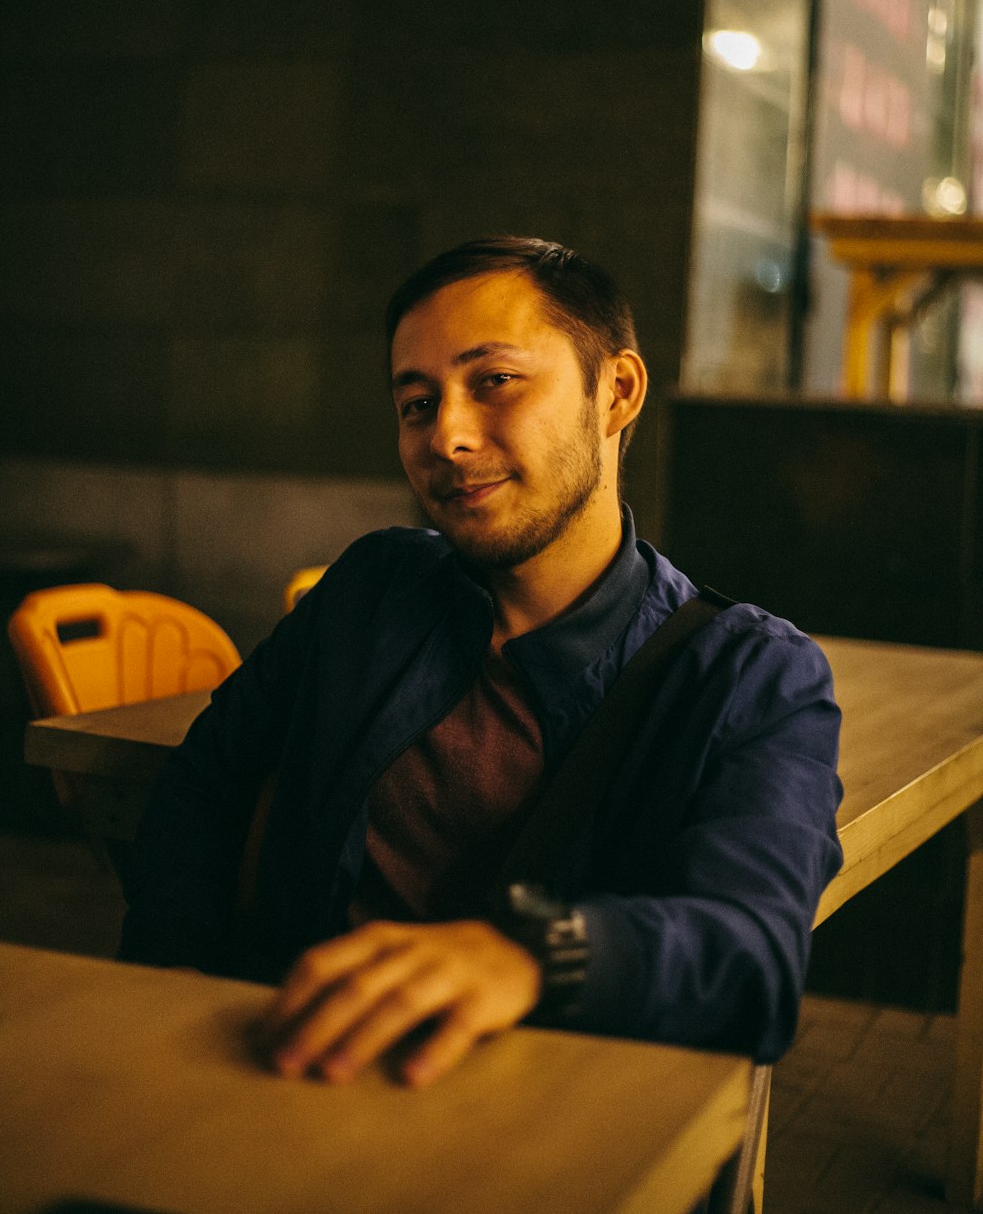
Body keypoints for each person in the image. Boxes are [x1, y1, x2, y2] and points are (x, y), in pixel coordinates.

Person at [120, 235, 843, 1090]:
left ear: (616, 392)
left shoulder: (751, 675)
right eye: (417, 404)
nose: (449, 437)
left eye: (494, 382)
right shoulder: (374, 589)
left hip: (540, 1132)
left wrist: (533, 955)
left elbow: (750, 959)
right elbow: (207, 777)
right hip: (288, 1075)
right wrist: (169, 978)